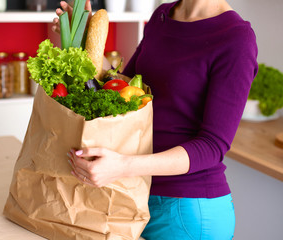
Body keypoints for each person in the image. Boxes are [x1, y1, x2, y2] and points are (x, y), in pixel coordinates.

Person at [53, 0, 258, 239]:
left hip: (187, 211)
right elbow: (127, 90)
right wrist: (86, 40)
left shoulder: (236, 38)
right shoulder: (163, 15)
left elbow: (212, 145)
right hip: (136, 194)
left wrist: (123, 166)